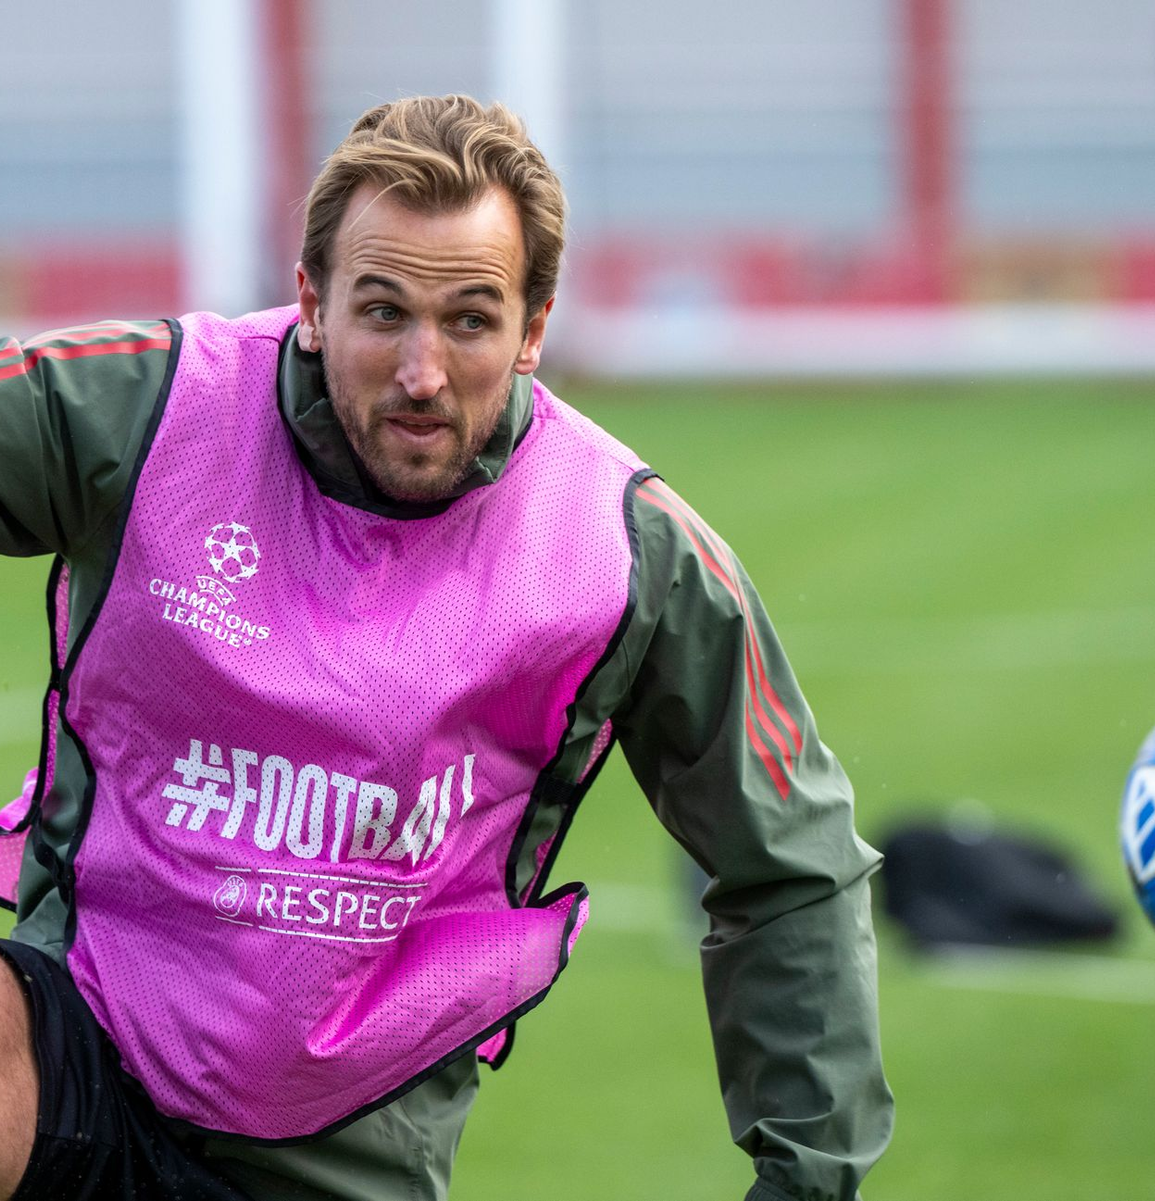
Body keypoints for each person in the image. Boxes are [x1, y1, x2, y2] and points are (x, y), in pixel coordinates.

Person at [0, 94, 892, 1201]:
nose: (422, 370)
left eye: (469, 320)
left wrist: (807, 1184)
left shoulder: (625, 550)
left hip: (341, 1153)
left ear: (532, 330)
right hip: (76, 1039)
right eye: (382, 313)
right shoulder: (151, 409)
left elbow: (790, 862)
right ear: (312, 303)